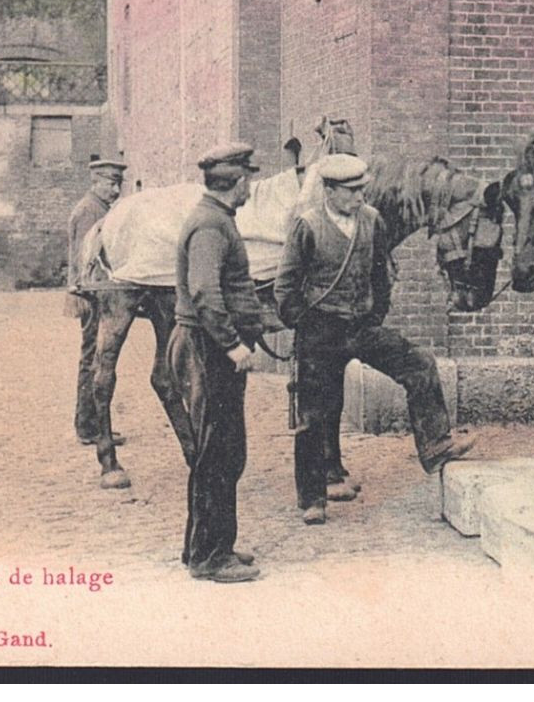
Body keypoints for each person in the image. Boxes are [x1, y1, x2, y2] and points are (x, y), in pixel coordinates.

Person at [275, 153, 476, 526]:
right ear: (329, 191)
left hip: (361, 327)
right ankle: (313, 498)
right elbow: (286, 286)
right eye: (350, 192)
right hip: (320, 331)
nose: (358, 198)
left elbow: (381, 272)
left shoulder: (371, 221)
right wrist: (304, 324)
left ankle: (435, 444)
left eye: (361, 190)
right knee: (313, 415)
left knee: (419, 364)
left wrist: (375, 313)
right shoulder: (308, 225)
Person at [160, 141, 268, 584]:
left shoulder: (217, 219)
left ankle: (207, 546)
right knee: (216, 454)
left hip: (211, 347)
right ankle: (209, 557)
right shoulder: (210, 226)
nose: (251, 187)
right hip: (208, 349)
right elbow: (205, 292)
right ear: (238, 182)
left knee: (223, 451)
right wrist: (232, 345)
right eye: (249, 179)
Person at [68, 157, 126, 447]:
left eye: (118, 184)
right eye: (110, 183)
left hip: (98, 291)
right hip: (92, 294)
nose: (115, 190)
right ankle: (89, 426)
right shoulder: (89, 211)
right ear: (96, 182)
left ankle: (91, 424)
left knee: (95, 357)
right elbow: (86, 259)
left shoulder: (100, 208)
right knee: (93, 357)